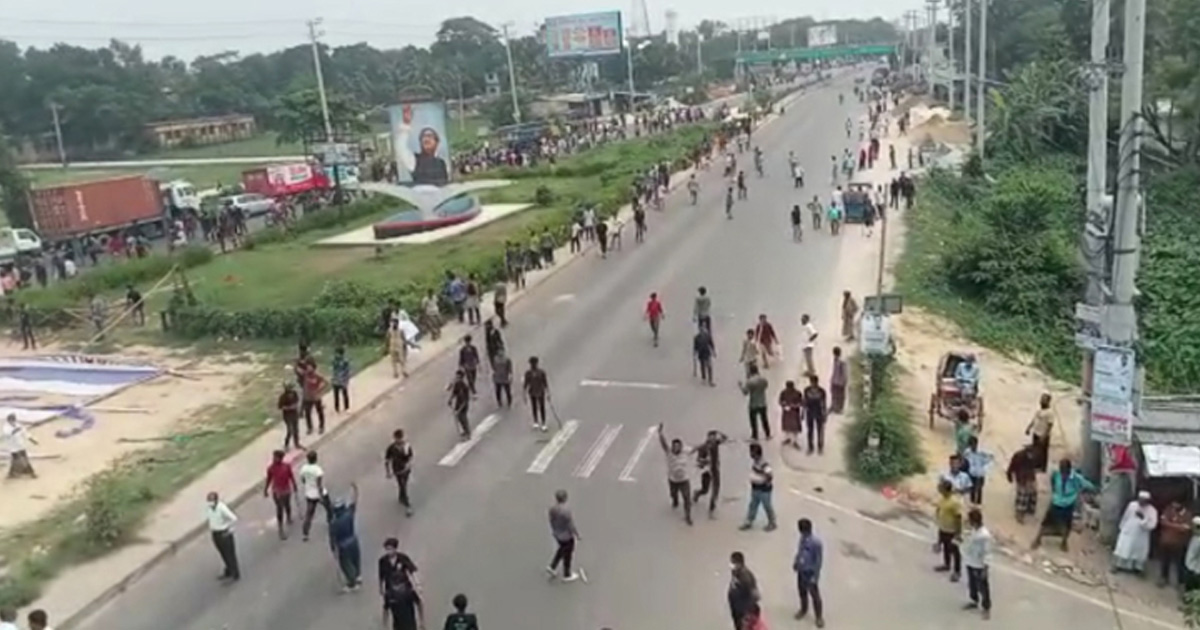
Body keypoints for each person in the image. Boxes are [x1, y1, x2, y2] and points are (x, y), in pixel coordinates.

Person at [1033, 458, 1096, 551]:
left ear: (1069, 470)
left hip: (1068, 504)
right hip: (1056, 502)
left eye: (1064, 471)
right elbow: (1052, 482)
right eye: (1061, 470)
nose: (1063, 474)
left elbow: (1089, 485)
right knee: (1046, 522)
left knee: (1066, 525)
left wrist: (1083, 492)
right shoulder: (1056, 474)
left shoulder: (1076, 478)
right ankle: (1037, 540)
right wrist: (1055, 493)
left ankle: (1064, 542)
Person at [395, 104, 449, 186]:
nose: (426, 139)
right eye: (424, 137)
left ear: (436, 142)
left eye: (430, 136)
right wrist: (406, 124)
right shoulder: (414, 161)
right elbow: (401, 147)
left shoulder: (441, 163)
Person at [379, 537, 424, 630]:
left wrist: (418, 584)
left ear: (395, 549)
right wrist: (381, 588)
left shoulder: (403, 558)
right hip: (390, 589)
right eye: (387, 549)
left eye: (390, 549)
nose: (388, 552)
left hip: (405, 594)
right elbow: (381, 576)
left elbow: (412, 571)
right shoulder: (382, 561)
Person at [1113, 490, 1158, 573]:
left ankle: (1137, 569)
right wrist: (1122, 526)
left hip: (1141, 535)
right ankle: (1118, 566)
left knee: (1138, 552)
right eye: (1140, 500)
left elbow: (1153, 525)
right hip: (1128, 530)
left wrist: (1143, 519)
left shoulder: (1152, 510)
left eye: (1144, 500)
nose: (1141, 502)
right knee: (1123, 548)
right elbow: (1126, 515)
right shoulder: (1132, 505)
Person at [658, 423, 694, 526]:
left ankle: (688, 516)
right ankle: (675, 500)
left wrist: (706, 443)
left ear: (681, 447)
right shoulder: (669, 452)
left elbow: (696, 448)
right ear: (672, 447)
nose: (676, 448)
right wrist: (660, 433)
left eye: (678, 447)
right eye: (674, 446)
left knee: (687, 497)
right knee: (673, 494)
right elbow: (663, 444)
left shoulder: (685, 451)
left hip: (684, 480)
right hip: (673, 480)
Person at [328, 483, 362, 591]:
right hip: (353, 540)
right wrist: (355, 490)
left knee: (346, 564)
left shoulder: (334, 523)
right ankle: (358, 576)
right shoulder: (349, 514)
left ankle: (352, 583)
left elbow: (332, 538)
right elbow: (354, 502)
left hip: (343, 545)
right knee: (355, 559)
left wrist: (333, 549)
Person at [793, 518, 825, 627]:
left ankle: (819, 617)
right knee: (802, 592)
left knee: (815, 596)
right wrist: (796, 562)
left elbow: (818, 561)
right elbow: (800, 551)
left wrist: (815, 577)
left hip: (810, 573)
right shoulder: (802, 538)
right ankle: (803, 609)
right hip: (801, 571)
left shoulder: (816, 543)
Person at [962, 507, 993, 619]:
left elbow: (987, 552)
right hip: (970, 561)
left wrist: (985, 568)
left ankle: (986, 607)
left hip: (979, 564)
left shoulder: (984, 535)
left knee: (983, 587)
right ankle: (974, 600)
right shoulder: (973, 530)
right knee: (972, 583)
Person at [740, 442, 777, 531]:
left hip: (763, 489)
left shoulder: (763, 464)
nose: (750, 454)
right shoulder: (755, 462)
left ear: (757, 453)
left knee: (767, 506)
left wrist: (764, 482)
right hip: (755, 488)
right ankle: (749, 521)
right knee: (753, 505)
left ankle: (772, 522)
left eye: (752, 452)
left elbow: (769, 475)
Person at [693, 430, 729, 518]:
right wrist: (705, 461)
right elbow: (698, 461)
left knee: (716, 490)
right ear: (707, 438)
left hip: (715, 470)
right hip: (706, 471)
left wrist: (719, 432)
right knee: (705, 490)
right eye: (711, 437)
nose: (712, 440)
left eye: (714, 437)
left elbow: (725, 438)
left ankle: (712, 509)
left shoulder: (716, 444)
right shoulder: (702, 448)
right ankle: (697, 493)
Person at [547, 489, 581, 581]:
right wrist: (577, 534)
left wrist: (554, 530)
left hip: (557, 533)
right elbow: (570, 524)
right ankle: (567, 574)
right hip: (566, 535)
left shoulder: (552, 509)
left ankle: (553, 566)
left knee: (562, 549)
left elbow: (551, 520)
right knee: (568, 554)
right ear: (565, 498)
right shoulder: (566, 511)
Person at [263, 449, 297, 540]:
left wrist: (294, 485)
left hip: (286, 489)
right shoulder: (271, 468)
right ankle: (281, 528)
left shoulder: (286, 466)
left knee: (287, 505)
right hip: (277, 491)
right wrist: (265, 489)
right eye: (273, 457)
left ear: (281, 458)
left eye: (276, 457)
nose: (274, 459)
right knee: (279, 509)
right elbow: (269, 479)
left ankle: (289, 517)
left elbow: (291, 476)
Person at [206, 491, 240, 581]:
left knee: (230, 554)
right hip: (215, 534)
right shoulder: (209, 508)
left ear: (216, 501)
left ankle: (235, 573)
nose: (210, 503)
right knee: (223, 553)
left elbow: (233, 518)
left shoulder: (221, 508)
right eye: (209, 500)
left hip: (224, 533)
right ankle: (228, 570)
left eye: (211, 500)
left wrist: (228, 529)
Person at [1158, 498, 1192, 587]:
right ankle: (1164, 578)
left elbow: (1186, 528)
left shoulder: (1187, 514)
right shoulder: (1169, 509)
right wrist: (1178, 526)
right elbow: (1162, 522)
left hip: (1179, 543)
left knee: (1179, 564)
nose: (1174, 505)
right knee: (1165, 561)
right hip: (1166, 541)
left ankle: (1180, 583)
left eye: (1176, 504)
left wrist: (1170, 524)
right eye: (1173, 503)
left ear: (1182, 504)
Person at [934, 479, 963, 582]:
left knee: (955, 552)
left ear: (946, 490)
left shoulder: (954, 502)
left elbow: (958, 517)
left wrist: (958, 533)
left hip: (952, 530)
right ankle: (946, 564)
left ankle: (957, 571)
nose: (939, 489)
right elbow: (939, 509)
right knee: (945, 547)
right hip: (943, 527)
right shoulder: (942, 499)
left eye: (941, 488)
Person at [1005, 444, 1039, 523]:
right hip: (1021, 477)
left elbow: (1035, 467)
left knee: (1033, 493)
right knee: (1022, 496)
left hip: (1030, 476)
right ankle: (1019, 514)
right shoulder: (1018, 456)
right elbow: (1011, 467)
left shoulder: (1034, 457)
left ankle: (1030, 509)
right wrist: (1009, 475)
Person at [299, 450, 328, 541]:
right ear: (316, 458)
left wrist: (308, 484)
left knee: (309, 514)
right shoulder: (318, 470)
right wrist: (321, 496)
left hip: (309, 493)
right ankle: (331, 521)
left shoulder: (304, 468)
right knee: (329, 507)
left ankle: (305, 533)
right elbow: (319, 484)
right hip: (317, 493)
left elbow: (303, 480)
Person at [385, 429, 415, 517]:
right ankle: (407, 505)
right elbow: (387, 460)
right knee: (402, 485)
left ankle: (401, 496)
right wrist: (388, 471)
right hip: (397, 470)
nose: (399, 440)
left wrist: (409, 465)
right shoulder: (391, 448)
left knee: (403, 484)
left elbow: (410, 457)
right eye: (397, 438)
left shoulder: (407, 446)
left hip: (406, 470)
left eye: (401, 438)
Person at [727, 552, 760, 630]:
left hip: (744, 612)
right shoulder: (735, 572)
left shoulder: (746, 577)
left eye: (733, 562)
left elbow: (755, 595)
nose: (731, 565)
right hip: (737, 609)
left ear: (740, 564)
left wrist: (748, 615)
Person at [739, 365, 771, 442]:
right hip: (762, 402)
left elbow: (745, 392)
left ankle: (755, 435)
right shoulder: (763, 379)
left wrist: (740, 386)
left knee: (753, 420)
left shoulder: (750, 381)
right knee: (764, 419)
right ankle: (767, 434)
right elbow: (766, 386)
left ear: (750, 371)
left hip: (753, 403)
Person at [1026, 393, 1054, 472]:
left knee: (1043, 452)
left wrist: (1044, 435)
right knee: (1036, 450)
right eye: (1041, 399)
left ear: (1048, 402)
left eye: (1043, 400)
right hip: (1036, 433)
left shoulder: (1050, 413)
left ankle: (1043, 468)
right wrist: (1029, 428)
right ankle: (1036, 465)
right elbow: (1034, 420)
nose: (1041, 401)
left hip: (1043, 435)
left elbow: (1050, 425)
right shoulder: (1039, 410)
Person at [3, 413, 36, 479]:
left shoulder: (18, 425)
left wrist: (31, 439)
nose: (12, 421)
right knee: (21, 460)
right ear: (8, 420)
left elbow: (25, 433)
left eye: (13, 419)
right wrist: (17, 429)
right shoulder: (6, 428)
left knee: (21, 460)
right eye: (11, 420)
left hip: (21, 446)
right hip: (13, 448)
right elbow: (9, 433)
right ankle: (31, 473)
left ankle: (12, 473)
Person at [962, 436, 993, 505]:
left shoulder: (982, 452)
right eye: (971, 445)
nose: (972, 446)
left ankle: (978, 503)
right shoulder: (967, 452)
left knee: (979, 489)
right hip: (971, 474)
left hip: (980, 474)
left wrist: (985, 468)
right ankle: (972, 502)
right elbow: (965, 462)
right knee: (972, 488)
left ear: (976, 444)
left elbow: (990, 459)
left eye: (973, 444)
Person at [802, 375, 828, 455]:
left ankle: (820, 447)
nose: (813, 384)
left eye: (814, 382)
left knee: (820, 431)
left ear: (817, 382)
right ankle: (810, 447)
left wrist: (825, 414)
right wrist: (802, 413)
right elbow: (804, 402)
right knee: (810, 431)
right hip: (809, 412)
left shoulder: (822, 391)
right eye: (812, 382)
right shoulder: (806, 390)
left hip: (819, 412)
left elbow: (824, 404)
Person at [523, 356, 550, 432]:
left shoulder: (541, 373)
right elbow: (526, 384)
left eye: (534, 363)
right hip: (532, 392)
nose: (533, 365)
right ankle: (536, 421)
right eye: (532, 364)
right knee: (534, 407)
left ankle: (543, 423)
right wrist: (524, 394)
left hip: (540, 391)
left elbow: (545, 383)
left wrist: (548, 393)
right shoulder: (528, 373)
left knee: (542, 407)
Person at [300, 364, 327, 435]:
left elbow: (324, 382)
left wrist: (319, 388)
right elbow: (298, 371)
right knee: (307, 413)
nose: (308, 368)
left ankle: (321, 426)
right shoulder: (305, 374)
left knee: (319, 412)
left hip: (316, 397)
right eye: (307, 366)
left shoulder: (317, 375)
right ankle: (310, 428)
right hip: (308, 397)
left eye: (309, 366)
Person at [447, 370, 472, 439]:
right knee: (459, 418)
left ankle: (468, 432)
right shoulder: (457, 384)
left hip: (463, 405)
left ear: (461, 378)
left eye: (458, 377)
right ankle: (465, 431)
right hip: (458, 403)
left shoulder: (465, 387)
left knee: (463, 418)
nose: (456, 378)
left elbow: (465, 400)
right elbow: (454, 393)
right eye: (456, 376)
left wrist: (459, 409)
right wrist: (450, 399)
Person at [277, 381, 302, 450]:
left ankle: (297, 443)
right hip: (287, 416)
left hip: (295, 414)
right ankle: (286, 444)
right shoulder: (283, 397)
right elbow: (280, 407)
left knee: (296, 430)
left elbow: (297, 401)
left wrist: (296, 406)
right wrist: (288, 408)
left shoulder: (294, 393)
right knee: (290, 430)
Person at [779, 380, 803, 447]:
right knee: (786, 426)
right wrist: (784, 405)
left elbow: (801, 402)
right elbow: (780, 401)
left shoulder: (797, 393)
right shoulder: (783, 393)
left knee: (795, 427)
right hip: (786, 412)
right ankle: (788, 438)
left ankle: (795, 441)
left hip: (794, 412)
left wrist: (794, 405)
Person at [331, 346, 351, 412]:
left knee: (344, 394)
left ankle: (346, 407)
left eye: (338, 353)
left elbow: (347, 371)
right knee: (336, 395)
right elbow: (333, 369)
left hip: (342, 380)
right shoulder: (334, 360)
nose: (337, 355)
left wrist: (346, 380)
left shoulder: (345, 361)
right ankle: (337, 408)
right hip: (336, 379)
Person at [829, 347, 848, 414]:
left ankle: (840, 408)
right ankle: (834, 406)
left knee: (841, 395)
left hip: (840, 382)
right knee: (834, 394)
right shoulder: (835, 360)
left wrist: (844, 381)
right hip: (835, 380)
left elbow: (844, 372)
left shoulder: (842, 361)